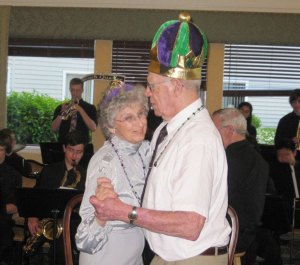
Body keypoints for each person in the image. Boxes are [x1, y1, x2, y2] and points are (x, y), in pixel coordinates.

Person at [90, 12, 231, 265]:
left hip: (192, 259)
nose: (147, 92)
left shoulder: (197, 140)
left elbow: (190, 225)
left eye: (152, 85)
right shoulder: (167, 129)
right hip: (166, 257)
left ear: (176, 86)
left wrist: (124, 212)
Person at [75, 81, 149, 265]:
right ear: (111, 127)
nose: (139, 123)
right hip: (105, 255)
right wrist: (100, 217)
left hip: (135, 256)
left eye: (141, 114)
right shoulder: (105, 163)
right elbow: (84, 240)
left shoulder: (144, 151)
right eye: (129, 118)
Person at [212, 108, 270, 265]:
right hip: (248, 234)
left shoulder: (229, 160)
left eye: (213, 129)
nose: (210, 134)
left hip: (233, 235)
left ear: (230, 130)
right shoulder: (255, 156)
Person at [27, 130, 87, 265]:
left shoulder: (86, 174)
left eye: (79, 152)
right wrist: (32, 216)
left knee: (62, 240)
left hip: (74, 222)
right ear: (64, 148)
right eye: (71, 150)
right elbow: (35, 195)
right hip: (50, 221)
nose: (74, 156)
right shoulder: (49, 170)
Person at [51, 78, 97, 144]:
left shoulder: (90, 108)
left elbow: (93, 128)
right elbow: (53, 128)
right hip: (64, 145)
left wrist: (80, 109)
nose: (75, 93)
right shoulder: (62, 107)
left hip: (81, 146)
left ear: (82, 90)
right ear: (70, 90)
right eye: (72, 90)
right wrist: (62, 113)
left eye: (77, 90)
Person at [0, 131, 22, 264]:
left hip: (2, 222)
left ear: (5, 152)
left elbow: (14, 207)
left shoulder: (13, 175)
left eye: (0, 149)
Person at [270, 138, 300, 224]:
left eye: (287, 154)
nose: (283, 158)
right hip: (283, 208)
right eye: (280, 155)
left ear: (294, 153)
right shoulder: (274, 170)